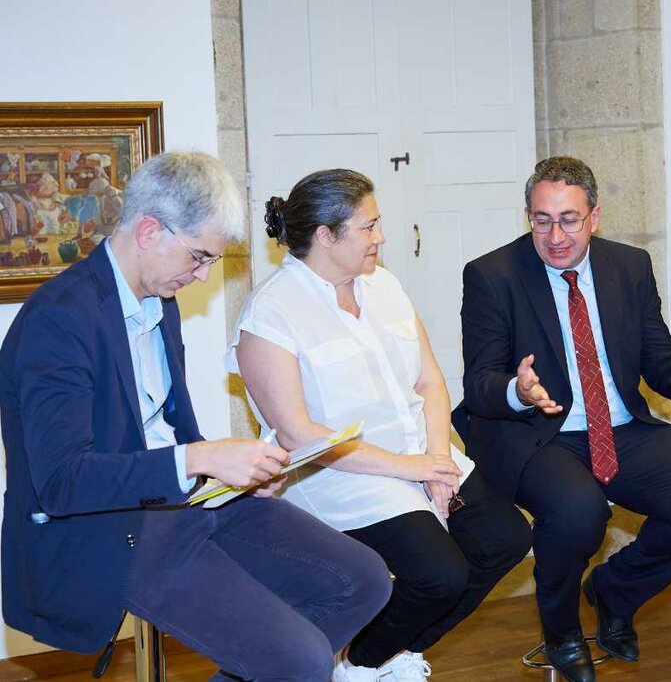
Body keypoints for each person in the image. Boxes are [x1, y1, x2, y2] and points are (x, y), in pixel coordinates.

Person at [0, 152, 392, 682]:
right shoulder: (59, 319)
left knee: (364, 579)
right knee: (299, 659)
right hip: (110, 529)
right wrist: (201, 457)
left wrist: (233, 470)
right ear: (147, 231)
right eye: (199, 257)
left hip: (183, 498)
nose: (204, 275)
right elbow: (62, 482)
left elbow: (167, 428)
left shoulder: (159, 300)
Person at [456, 156, 671, 682]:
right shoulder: (491, 275)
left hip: (621, 426)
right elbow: (479, 383)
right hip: (538, 434)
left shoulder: (628, 266)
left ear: (594, 217)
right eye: (542, 219)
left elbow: (659, 360)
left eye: (569, 219)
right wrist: (517, 390)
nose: (555, 235)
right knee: (580, 512)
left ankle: (614, 590)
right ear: (528, 216)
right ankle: (562, 631)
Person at [229, 168, 532, 682]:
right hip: (341, 477)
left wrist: (436, 461)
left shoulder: (384, 284)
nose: (381, 238)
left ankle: (384, 654)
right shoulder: (270, 314)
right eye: (369, 227)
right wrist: (411, 467)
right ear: (325, 236)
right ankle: (361, 666)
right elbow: (302, 436)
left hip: (423, 454)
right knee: (439, 574)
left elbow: (431, 382)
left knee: (505, 539)